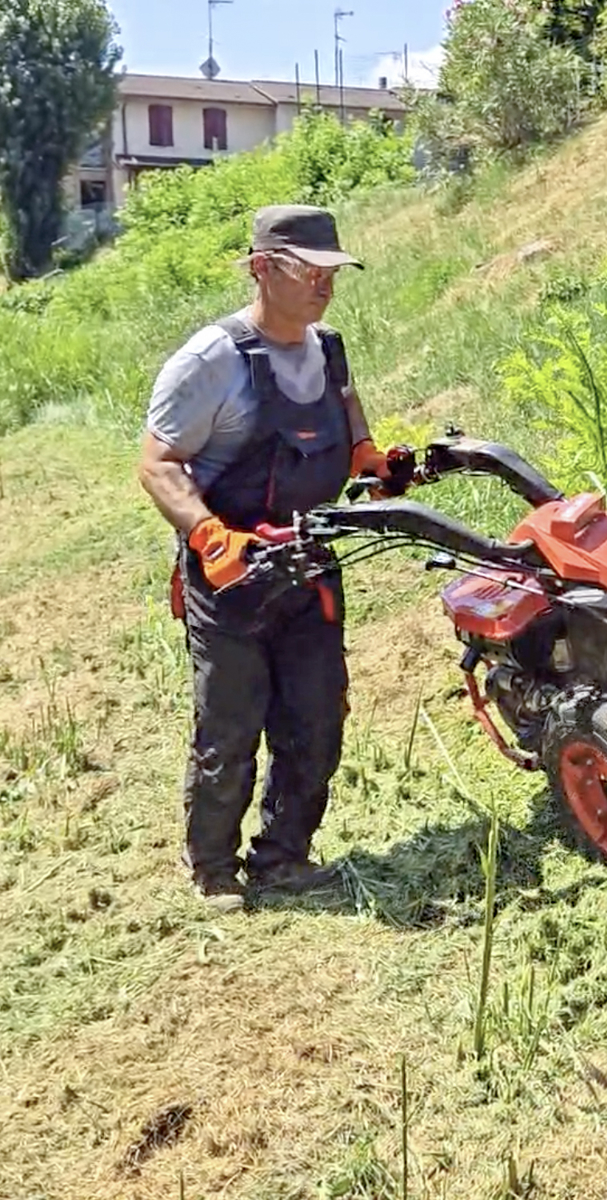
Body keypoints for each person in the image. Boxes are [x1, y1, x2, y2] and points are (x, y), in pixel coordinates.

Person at [137, 204, 400, 912]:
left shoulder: (329, 349)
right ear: (261, 268)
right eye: (307, 270)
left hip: (308, 564)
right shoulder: (212, 360)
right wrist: (209, 536)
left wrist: (370, 458)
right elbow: (158, 464)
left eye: (332, 271)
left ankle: (284, 856)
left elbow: (348, 415)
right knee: (230, 725)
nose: (324, 284)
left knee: (317, 717)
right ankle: (213, 868)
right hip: (231, 576)